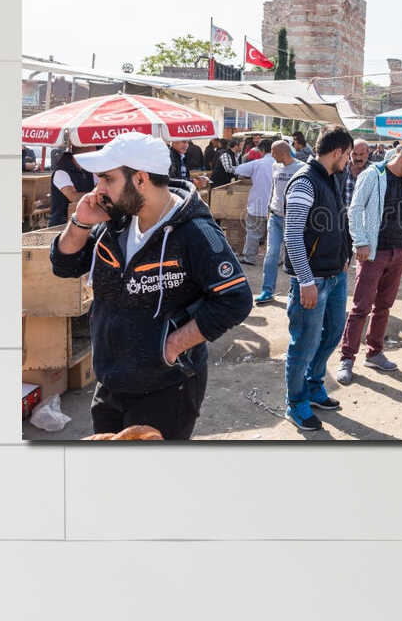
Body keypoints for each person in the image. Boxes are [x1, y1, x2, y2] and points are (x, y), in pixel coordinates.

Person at [47, 132, 252, 440]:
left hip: (166, 388)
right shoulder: (115, 221)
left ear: (140, 180)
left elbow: (235, 300)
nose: (98, 189)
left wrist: (173, 346)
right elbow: (65, 266)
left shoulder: (195, 232)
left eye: (107, 179)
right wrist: (80, 222)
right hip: (110, 380)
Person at [277, 128, 357, 432]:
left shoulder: (332, 178)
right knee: (303, 344)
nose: (349, 160)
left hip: (335, 276)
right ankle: (295, 403)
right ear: (337, 152)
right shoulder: (304, 181)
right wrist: (306, 280)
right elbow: (293, 235)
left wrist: (345, 253)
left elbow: (340, 218)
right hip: (311, 282)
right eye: (348, 154)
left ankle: (313, 385)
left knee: (334, 332)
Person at [337, 139, 402, 384]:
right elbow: (355, 209)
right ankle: (347, 357)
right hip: (373, 252)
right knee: (360, 307)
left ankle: (375, 352)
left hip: (397, 251)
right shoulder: (373, 175)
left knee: (384, 306)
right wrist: (361, 242)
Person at [233, 137, 298, 305]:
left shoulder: (301, 168)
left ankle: (294, 290)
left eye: (274, 153)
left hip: (293, 217)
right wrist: (270, 207)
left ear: (283, 152)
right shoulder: (275, 166)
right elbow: (274, 189)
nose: (271, 156)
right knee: (271, 253)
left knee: (294, 253)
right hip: (275, 215)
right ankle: (267, 290)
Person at [45, 135, 93, 228]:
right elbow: (73, 197)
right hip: (60, 224)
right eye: (92, 154)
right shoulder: (61, 172)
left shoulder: (86, 169)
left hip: (82, 221)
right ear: (82, 155)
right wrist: (96, 195)